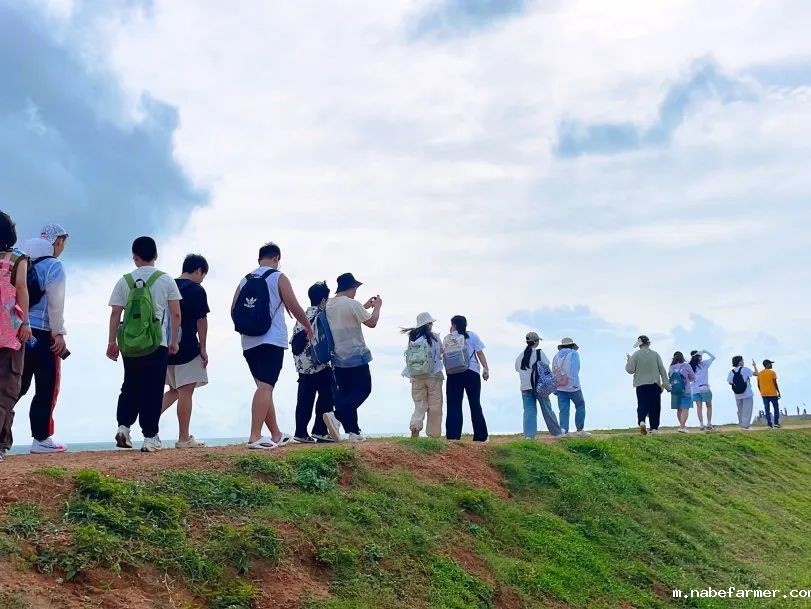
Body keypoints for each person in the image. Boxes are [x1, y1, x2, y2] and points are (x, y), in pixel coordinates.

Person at [232, 243, 313, 450]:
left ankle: (276, 434)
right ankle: (255, 435)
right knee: (266, 387)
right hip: (271, 339)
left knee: (264, 387)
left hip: (248, 342)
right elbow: (293, 304)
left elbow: (233, 309)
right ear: (277, 258)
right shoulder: (278, 277)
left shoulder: (245, 279)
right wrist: (308, 326)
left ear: (259, 259)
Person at [107, 237, 181, 453]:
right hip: (156, 342)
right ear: (155, 256)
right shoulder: (165, 280)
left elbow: (115, 313)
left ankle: (123, 427)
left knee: (130, 384)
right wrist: (174, 340)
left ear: (135, 257)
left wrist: (112, 342)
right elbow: (176, 313)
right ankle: (150, 437)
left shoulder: (124, 281)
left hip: (130, 343)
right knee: (153, 389)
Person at [19, 225, 69, 453]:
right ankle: (41, 439)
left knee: (16, 386)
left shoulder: (22, 261)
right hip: (43, 333)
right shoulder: (54, 266)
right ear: (58, 242)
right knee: (47, 386)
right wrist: (59, 333)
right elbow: (56, 304)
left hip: (20, 331)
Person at [323, 273, 381, 443]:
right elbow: (372, 322)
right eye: (355, 288)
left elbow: (346, 316)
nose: (356, 292)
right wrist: (377, 307)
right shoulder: (351, 304)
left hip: (338, 358)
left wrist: (365, 306)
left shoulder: (329, 305)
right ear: (352, 287)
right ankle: (336, 416)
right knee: (363, 390)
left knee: (347, 394)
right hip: (356, 355)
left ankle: (353, 432)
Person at [161, 254, 210, 449]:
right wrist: (203, 348)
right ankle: (184, 437)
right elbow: (201, 321)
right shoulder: (196, 290)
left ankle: (148, 421)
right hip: (187, 346)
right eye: (203, 275)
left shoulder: (168, 286)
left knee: (174, 390)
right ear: (199, 270)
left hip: (165, 347)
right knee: (185, 391)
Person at [0, 211, 31, 462]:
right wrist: (26, 322)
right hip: (10, 330)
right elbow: (21, 288)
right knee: (8, 387)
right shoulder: (18, 258)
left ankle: (3, 442)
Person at [292, 281, 335, 443]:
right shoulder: (322, 315)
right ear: (323, 300)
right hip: (319, 363)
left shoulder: (302, 315)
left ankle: (301, 432)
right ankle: (320, 430)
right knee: (326, 396)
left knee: (304, 400)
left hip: (302, 365)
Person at [444, 315, 489, 442]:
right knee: (475, 403)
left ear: (453, 325)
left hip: (453, 373)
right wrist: (486, 369)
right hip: (471, 371)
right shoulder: (472, 336)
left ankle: (453, 436)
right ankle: (480, 437)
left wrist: (451, 333)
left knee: (453, 404)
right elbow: (479, 353)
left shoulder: (449, 338)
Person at [515, 331, 562, 439]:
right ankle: (556, 433)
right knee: (547, 410)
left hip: (525, 387)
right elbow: (547, 370)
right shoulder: (539, 353)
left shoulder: (520, 356)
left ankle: (529, 435)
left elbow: (517, 369)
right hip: (540, 387)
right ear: (536, 341)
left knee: (529, 411)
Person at [625, 335, 670, 436]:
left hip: (641, 384)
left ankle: (642, 421)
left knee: (642, 404)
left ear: (639, 345)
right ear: (648, 343)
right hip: (654, 384)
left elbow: (630, 370)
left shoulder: (635, 355)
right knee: (655, 406)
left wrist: (628, 361)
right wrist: (666, 385)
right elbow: (662, 370)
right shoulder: (655, 354)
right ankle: (654, 428)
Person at [552, 337, 590, 437]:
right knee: (580, 405)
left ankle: (563, 430)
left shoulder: (556, 356)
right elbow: (575, 370)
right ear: (572, 345)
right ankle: (580, 429)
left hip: (560, 387)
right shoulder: (574, 354)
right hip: (573, 387)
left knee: (563, 409)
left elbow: (553, 372)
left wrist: (554, 388)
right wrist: (575, 384)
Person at [689, 349, 716, 431]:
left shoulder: (690, 366)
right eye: (701, 355)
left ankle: (701, 424)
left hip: (695, 389)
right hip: (704, 388)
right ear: (699, 356)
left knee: (699, 407)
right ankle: (709, 424)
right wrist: (705, 351)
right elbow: (713, 357)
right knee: (709, 405)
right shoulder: (704, 364)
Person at [727, 356, 755, 430]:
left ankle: (741, 425)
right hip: (747, 393)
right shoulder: (744, 369)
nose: (743, 362)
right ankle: (745, 426)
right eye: (742, 361)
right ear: (739, 362)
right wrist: (754, 366)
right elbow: (756, 374)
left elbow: (730, 382)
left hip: (737, 394)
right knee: (747, 410)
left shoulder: (731, 372)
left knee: (740, 410)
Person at [669, 352, 695, 433]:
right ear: (682, 357)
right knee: (685, 408)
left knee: (679, 409)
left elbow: (670, 378)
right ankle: (682, 426)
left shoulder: (671, 367)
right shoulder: (686, 366)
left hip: (675, 391)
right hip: (685, 390)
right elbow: (692, 377)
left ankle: (682, 426)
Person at [753, 359, 781, 429]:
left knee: (767, 409)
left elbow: (758, 384)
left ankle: (769, 424)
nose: (771, 365)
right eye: (770, 364)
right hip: (773, 393)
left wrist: (761, 392)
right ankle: (776, 423)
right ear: (767, 365)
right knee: (776, 408)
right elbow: (775, 383)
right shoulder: (772, 372)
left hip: (764, 394)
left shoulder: (760, 374)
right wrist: (778, 392)